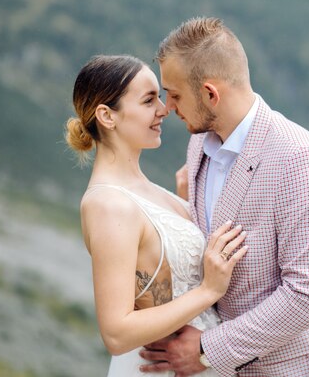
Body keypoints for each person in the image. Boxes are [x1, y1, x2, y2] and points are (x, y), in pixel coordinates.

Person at [138, 17, 309, 376]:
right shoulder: (198, 145)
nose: (167, 107)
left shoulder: (302, 161)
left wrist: (207, 351)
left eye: (175, 95)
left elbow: (308, 295)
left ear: (211, 94)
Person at [64, 54, 248, 376]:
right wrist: (209, 290)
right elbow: (116, 332)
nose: (164, 110)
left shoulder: (151, 192)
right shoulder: (108, 205)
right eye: (149, 100)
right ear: (107, 116)